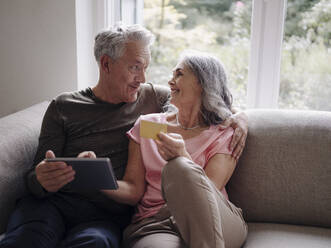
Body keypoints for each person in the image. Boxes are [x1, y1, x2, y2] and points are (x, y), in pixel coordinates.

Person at [0, 24, 247, 248]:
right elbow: (34, 175)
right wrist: (43, 178)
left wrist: (240, 117)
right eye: (135, 67)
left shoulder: (151, 97)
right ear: (106, 64)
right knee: (28, 239)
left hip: (103, 215)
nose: (143, 78)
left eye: (145, 68)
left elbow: (211, 97)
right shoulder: (67, 107)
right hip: (54, 205)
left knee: (95, 243)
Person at [95, 50, 248, 248]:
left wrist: (181, 156)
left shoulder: (224, 132)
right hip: (159, 224)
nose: (170, 81)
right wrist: (98, 178)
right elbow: (133, 190)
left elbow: (207, 194)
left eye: (179, 74)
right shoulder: (149, 126)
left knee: (179, 168)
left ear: (202, 83)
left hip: (217, 220)